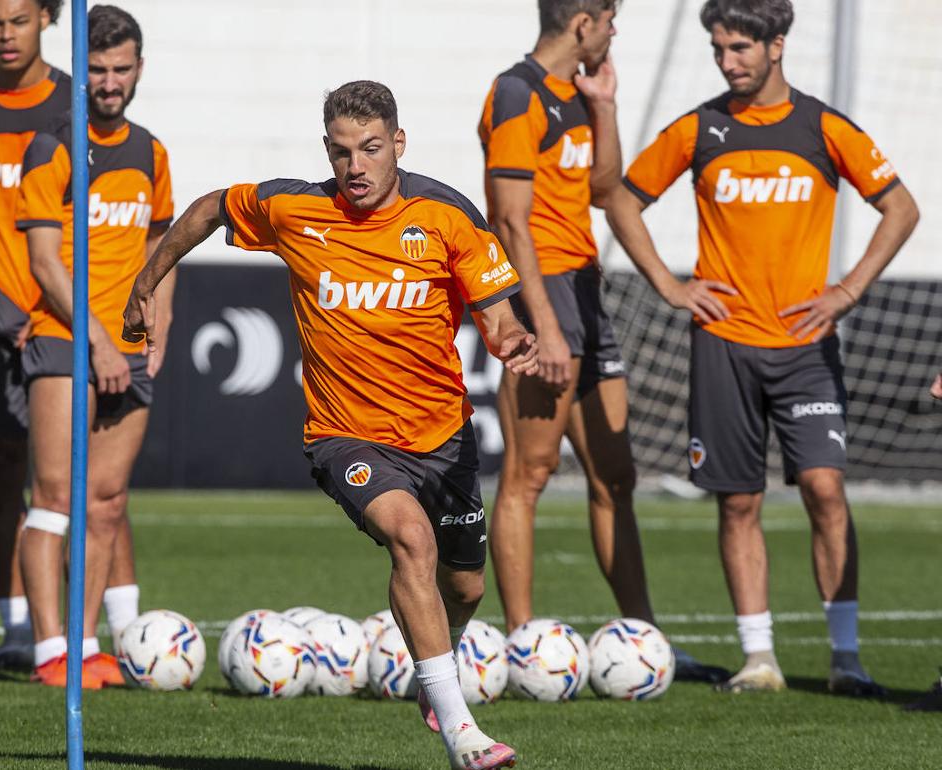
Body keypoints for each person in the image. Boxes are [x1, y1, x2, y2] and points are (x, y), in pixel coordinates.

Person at [125, 80, 533, 770]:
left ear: (397, 143)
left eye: (371, 149)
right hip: (345, 436)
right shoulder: (295, 208)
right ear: (327, 150)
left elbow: (498, 314)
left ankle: (434, 671)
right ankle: (462, 732)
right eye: (343, 152)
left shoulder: (447, 216)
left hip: (443, 437)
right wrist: (146, 280)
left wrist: (515, 341)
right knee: (411, 539)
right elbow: (206, 210)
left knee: (465, 588)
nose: (357, 166)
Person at [605, 0, 919, 695]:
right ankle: (759, 659)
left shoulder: (823, 126)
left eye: (740, 47)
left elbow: (901, 208)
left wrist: (847, 291)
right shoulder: (699, 128)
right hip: (723, 343)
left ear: (777, 45)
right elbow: (622, 200)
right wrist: (670, 286)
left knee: (824, 489)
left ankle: (846, 659)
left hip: (807, 345)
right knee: (737, 502)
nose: (728, 61)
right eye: (719, 49)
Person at [478, 0, 724, 682]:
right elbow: (509, 222)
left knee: (617, 476)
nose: (616, 33)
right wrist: (544, 325)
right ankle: (524, 646)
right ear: (583, 21)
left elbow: (606, 188)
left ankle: (645, 641)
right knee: (529, 475)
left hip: (587, 291)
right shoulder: (515, 93)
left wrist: (607, 106)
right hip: (544, 296)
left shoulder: (576, 95)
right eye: (611, 20)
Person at [0, 0, 131, 668]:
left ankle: (119, 627)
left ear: (46, 18)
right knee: (3, 469)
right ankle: (17, 627)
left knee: (90, 482)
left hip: (62, 312)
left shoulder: (80, 103)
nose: (7, 35)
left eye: (19, 19)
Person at [14, 4, 173, 688]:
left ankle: (84, 647)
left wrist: (157, 323)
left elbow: (160, 247)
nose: (110, 83)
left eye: (121, 69)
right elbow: (46, 264)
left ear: (140, 69)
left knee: (105, 501)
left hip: (126, 350)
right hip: (64, 340)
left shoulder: (151, 151)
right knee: (53, 496)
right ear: (81, 71)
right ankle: (50, 650)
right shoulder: (53, 147)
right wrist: (101, 342)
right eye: (98, 70)